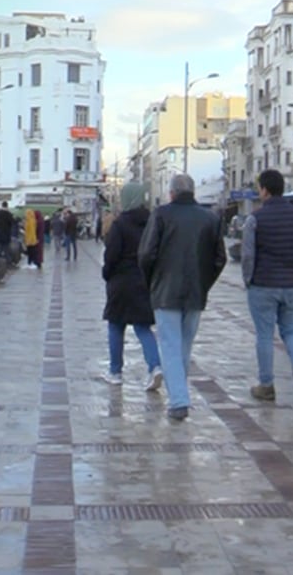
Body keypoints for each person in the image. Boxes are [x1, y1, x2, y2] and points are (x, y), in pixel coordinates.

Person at [139, 174, 226, 421]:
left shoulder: (161, 215)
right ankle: (179, 393)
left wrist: (151, 282)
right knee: (184, 345)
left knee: (169, 345)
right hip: (196, 292)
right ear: (193, 191)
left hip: (166, 291)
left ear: (172, 192)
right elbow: (220, 258)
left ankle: (178, 400)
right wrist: (204, 282)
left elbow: (146, 254)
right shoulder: (210, 217)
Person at [242, 170, 293, 402]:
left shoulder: (255, 219)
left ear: (264, 190)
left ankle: (266, 384)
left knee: (264, 335)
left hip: (263, 284)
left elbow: (248, 256)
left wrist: (248, 279)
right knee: (291, 331)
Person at [101, 183, 162, 390]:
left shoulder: (120, 224)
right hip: (144, 280)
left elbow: (111, 255)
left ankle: (115, 371)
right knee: (143, 327)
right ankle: (155, 366)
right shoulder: (153, 222)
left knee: (116, 325)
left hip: (120, 281)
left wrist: (106, 274)